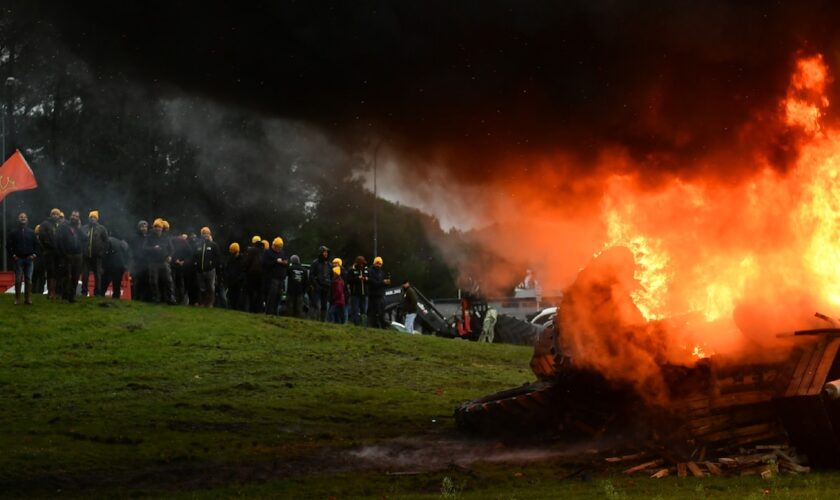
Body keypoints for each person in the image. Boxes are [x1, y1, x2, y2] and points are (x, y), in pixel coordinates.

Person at [6, 212, 38, 305]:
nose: (23, 218)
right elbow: (8, 246)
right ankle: (17, 299)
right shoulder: (13, 232)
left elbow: (37, 245)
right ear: (18, 219)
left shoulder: (31, 232)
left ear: (27, 219)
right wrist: (13, 255)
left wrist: (34, 255)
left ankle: (28, 299)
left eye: (24, 217)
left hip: (29, 259)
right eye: (21, 217)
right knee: (18, 279)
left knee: (28, 279)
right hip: (18, 259)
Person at [144, 220, 176, 304]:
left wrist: (170, 256)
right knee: (153, 281)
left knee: (168, 281)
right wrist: (153, 248)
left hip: (164, 262)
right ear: (153, 228)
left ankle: (170, 299)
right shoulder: (149, 237)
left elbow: (171, 249)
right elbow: (144, 248)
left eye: (159, 227)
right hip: (153, 262)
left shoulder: (166, 237)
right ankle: (156, 298)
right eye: (156, 227)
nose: (158, 229)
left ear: (162, 228)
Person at [56, 210, 84, 302]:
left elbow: (85, 238)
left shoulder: (78, 228)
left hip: (78, 255)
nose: (74, 217)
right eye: (73, 215)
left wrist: (79, 228)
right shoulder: (64, 226)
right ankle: (65, 296)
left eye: (76, 216)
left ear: (78, 218)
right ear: (70, 216)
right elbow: (59, 241)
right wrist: (63, 253)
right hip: (67, 255)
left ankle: (72, 297)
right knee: (67, 277)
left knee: (75, 277)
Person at [80, 210, 109, 297]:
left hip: (97, 256)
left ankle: (97, 293)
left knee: (97, 275)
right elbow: (80, 240)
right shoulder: (84, 228)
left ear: (97, 219)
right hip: (86, 256)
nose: (93, 219)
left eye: (94, 217)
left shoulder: (102, 229)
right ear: (89, 218)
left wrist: (102, 252)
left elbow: (106, 242)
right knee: (85, 275)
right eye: (91, 217)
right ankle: (84, 292)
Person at [37, 208, 62, 300]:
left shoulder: (60, 225)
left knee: (56, 272)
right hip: (49, 251)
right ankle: (50, 292)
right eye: (54, 214)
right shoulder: (45, 224)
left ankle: (54, 292)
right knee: (50, 272)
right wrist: (48, 246)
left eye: (57, 214)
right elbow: (42, 237)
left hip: (58, 252)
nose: (55, 216)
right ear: (51, 214)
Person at [193, 226, 221, 307]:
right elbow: (194, 256)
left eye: (206, 233)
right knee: (202, 287)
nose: (205, 235)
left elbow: (218, 257)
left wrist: (212, 265)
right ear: (201, 235)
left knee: (210, 287)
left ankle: (210, 303)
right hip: (200, 270)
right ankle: (202, 302)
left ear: (209, 234)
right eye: (203, 233)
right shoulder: (198, 245)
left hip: (210, 271)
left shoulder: (213, 245)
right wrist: (195, 264)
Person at [262, 237, 288, 315]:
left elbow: (286, 261)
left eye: (280, 247)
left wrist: (284, 262)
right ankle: (268, 312)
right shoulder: (268, 253)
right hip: (272, 278)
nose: (279, 249)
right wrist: (276, 262)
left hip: (281, 278)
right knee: (271, 296)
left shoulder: (282, 252)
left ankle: (275, 313)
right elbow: (265, 264)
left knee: (278, 297)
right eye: (278, 247)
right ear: (274, 245)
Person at [366, 256, 390, 328]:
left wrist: (386, 284)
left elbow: (380, 284)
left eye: (380, 264)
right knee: (374, 312)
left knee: (381, 311)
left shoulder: (381, 272)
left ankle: (381, 326)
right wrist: (383, 282)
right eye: (377, 263)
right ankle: (374, 326)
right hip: (373, 295)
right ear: (374, 263)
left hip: (380, 295)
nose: (378, 265)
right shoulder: (370, 271)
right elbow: (373, 283)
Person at [243, 235, 265, 313]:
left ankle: (252, 309)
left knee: (251, 293)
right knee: (260, 293)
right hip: (262, 275)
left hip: (251, 275)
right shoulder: (264, 250)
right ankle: (259, 310)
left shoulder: (251, 250)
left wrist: (245, 270)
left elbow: (247, 262)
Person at [310, 245, 331, 321]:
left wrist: (329, 284)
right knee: (315, 304)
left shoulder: (329, 264)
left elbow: (330, 276)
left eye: (326, 252)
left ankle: (323, 321)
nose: (326, 253)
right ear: (321, 252)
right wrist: (315, 285)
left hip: (326, 287)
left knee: (324, 305)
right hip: (317, 287)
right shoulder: (315, 263)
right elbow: (311, 275)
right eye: (324, 252)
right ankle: (314, 320)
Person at [129, 220, 149, 301]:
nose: (143, 228)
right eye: (142, 226)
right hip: (137, 263)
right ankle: (135, 298)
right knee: (136, 281)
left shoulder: (149, 237)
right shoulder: (134, 237)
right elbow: (131, 250)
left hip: (147, 262)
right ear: (139, 227)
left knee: (146, 281)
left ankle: (144, 298)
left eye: (145, 227)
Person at [347, 255, 370, 326]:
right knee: (355, 310)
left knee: (364, 310)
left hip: (365, 294)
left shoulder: (366, 270)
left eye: (362, 263)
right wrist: (357, 278)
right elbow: (349, 280)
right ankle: (356, 324)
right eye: (360, 263)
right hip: (355, 294)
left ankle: (363, 324)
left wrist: (366, 279)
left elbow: (370, 279)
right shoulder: (352, 270)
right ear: (357, 263)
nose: (361, 265)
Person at [224, 242, 245, 310]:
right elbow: (227, 268)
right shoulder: (230, 259)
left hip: (238, 282)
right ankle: (232, 308)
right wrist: (228, 276)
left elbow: (243, 271)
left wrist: (239, 279)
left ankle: (237, 308)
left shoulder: (242, 259)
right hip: (231, 281)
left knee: (238, 296)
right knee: (231, 296)